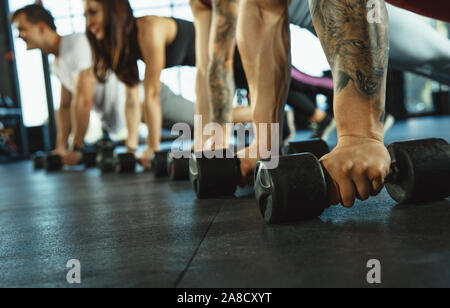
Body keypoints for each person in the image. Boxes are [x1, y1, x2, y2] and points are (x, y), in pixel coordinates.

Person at [11, 4, 196, 166]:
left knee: (207, 122)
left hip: (148, 99)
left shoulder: (75, 43)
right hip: (132, 109)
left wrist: (76, 147)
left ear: (41, 27)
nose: (19, 35)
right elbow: (66, 106)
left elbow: (84, 99)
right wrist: (61, 148)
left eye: (22, 29)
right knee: (202, 127)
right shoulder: (57, 64)